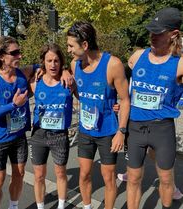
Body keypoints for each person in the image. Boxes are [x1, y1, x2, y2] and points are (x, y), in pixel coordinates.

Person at [67, 21, 130, 209]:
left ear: (84, 45)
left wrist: (121, 131)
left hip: (107, 131)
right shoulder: (74, 65)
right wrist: (72, 88)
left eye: (71, 46)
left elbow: (125, 100)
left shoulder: (113, 64)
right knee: (84, 173)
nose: (68, 50)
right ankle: (87, 206)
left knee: (109, 177)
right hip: (86, 130)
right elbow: (82, 94)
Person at [126, 7, 183, 209]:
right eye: (151, 31)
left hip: (162, 129)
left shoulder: (179, 64)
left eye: (158, 33)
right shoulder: (137, 56)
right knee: (133, 178)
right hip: (136, 127)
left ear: (173, 34)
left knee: (166, 179)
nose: (152, 36)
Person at [0, 36, 39, 209]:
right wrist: (13, 105)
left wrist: (64, 71)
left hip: (19, 137)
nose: (19, 56)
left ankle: (13, 206)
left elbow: (41, 65)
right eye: (14, 53)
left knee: (19, 174)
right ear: (1, 56)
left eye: (19, 51)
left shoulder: (23, 73)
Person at [28, 43, 74, 209]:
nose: (53, 65)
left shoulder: (69, 82)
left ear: (61, 62)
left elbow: (87, 98)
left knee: (61, 173)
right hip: (38, 135)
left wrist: (114, 105)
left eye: (56, 61)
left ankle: (61, 206)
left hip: (59, 135)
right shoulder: (35, 81)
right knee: (39, 175)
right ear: (43, 62)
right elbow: (15, 73)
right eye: (49, 61)